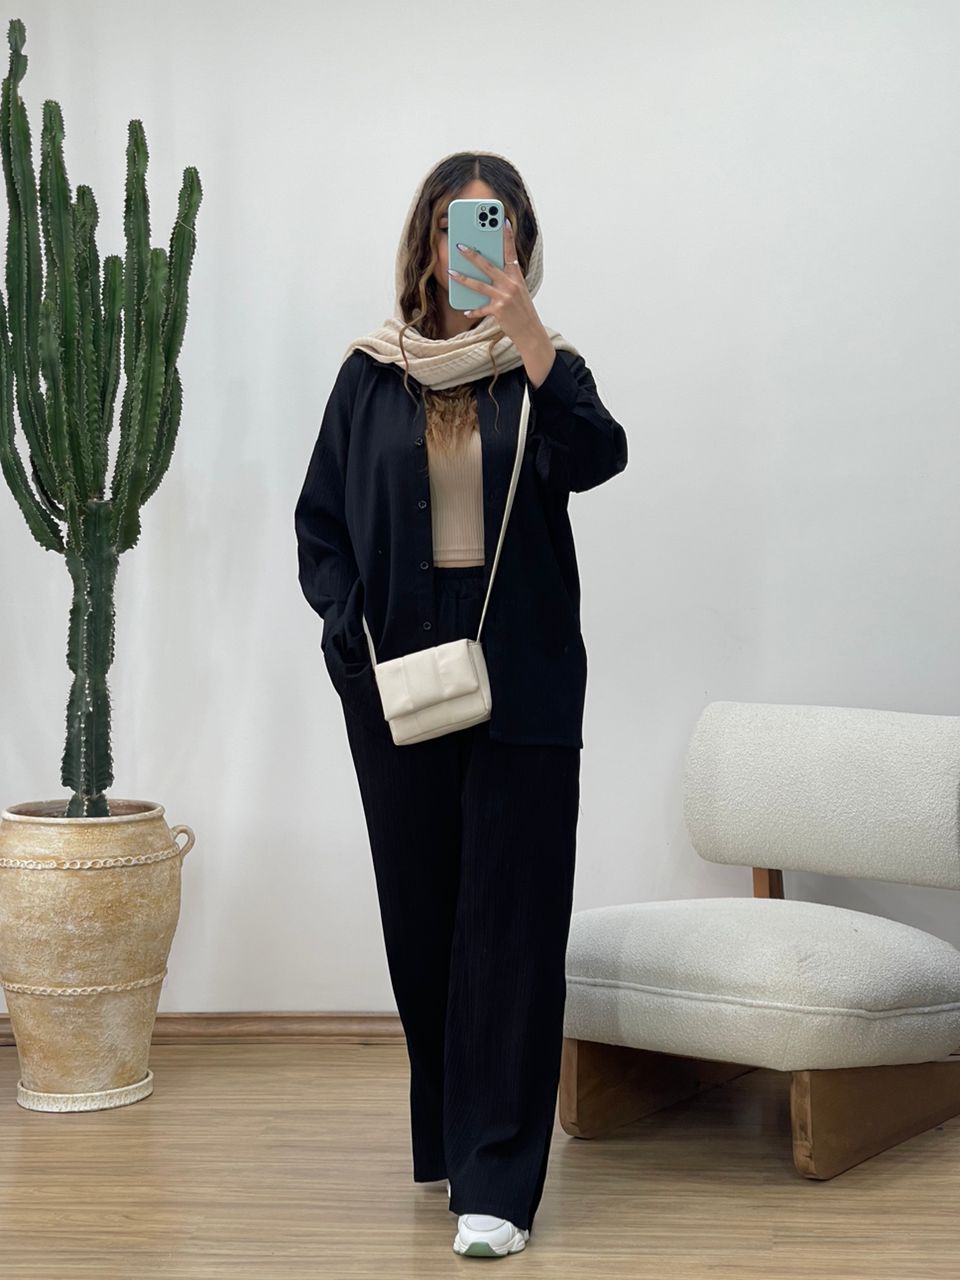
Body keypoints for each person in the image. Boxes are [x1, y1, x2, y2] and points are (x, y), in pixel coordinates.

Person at [294, 149, 628, 1258]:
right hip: (396, 688)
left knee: (513, 926)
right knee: (424, 922)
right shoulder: (369, 375)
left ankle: (498, 1182)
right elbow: (319, 525)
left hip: (523, 685)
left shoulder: (542, 371)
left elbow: (599, 454)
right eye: (454, 226)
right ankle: (451, 1134)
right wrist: (349, 642)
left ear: (518, 243)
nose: (473, 245)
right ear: (427, 243)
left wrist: (529, 335)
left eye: (495, 226)